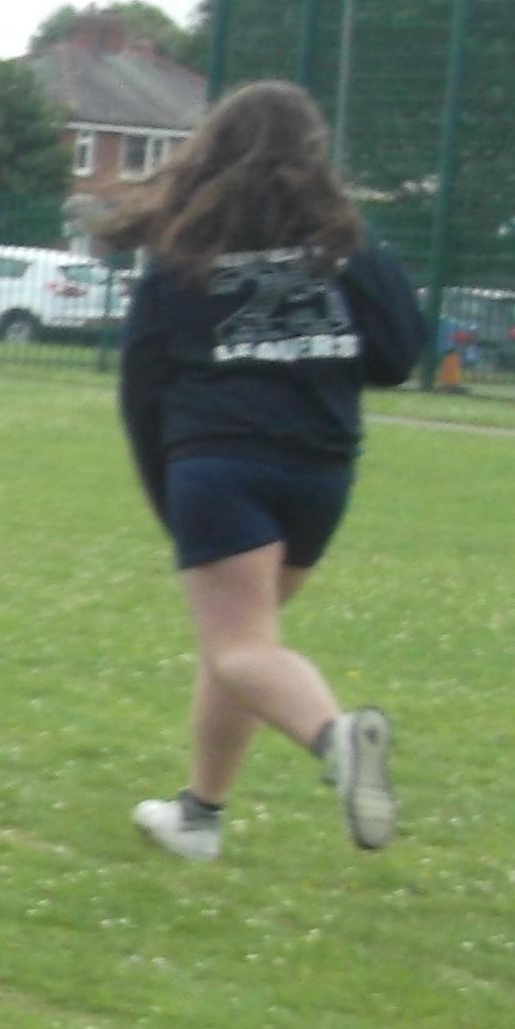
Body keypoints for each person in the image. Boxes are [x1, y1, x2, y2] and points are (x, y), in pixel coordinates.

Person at [99, 79, 426, 860]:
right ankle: (198, 819)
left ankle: (338, 741)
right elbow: (399, 354)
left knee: (241, 648)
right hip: (319, 475)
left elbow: (142, 392)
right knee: (244, 646)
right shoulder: (344, 253)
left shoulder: (183, 258)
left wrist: (170, 498)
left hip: (219, 466)